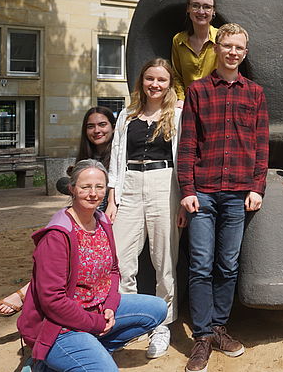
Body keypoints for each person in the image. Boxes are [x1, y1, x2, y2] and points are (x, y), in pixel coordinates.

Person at [17, 159, 167, 372]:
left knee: (157, 309)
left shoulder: (102, 220)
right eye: (85, 187)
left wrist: (110, 306)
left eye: (99, 187)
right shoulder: (57, 236)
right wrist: (96, 323)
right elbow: (53, 301)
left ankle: (87, 354)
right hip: (60, 325)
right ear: (72, 189)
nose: (93, 193)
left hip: (97, 309)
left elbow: (113, 270)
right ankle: (45, 362)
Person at [178, 23, 269, 372]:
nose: (233, 52)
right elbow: (188, 144)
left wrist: (257, 187)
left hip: (237, 193)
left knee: (228, 265)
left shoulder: (255, 93)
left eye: (239, 48)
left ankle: (218, 327)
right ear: (217, 48)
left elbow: (261, 145)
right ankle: (202, 336)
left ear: (245, 53)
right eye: (227, 46)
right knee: (201, 264)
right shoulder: (198, 91)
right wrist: (187, 190)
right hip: (203, 191)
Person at [0, 106, 117, 318]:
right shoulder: (86, 156)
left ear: (113, 127)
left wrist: (111, 201)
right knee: (58, 246)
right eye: (91, 126)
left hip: (109, 211)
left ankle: (26, 292)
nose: (97, 130)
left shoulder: (119, 152)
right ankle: (30, 292)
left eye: (102, 124)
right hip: (88, 211)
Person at [105, 58, 182, 359]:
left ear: (170, 84)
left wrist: (183, 199)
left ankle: (162, 324)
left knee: (164, 260)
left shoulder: (178, 114)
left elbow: (183, 156)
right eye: (150, 78)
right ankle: (130, 321)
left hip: (165, 183)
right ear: (142, 81)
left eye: (161, 80)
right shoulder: (127, 115)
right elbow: (116, 156)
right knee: (121, 259)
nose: (155, 84)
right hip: (130, 183)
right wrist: (112, 198)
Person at [172, 0, 220, 106]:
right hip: (188, 103)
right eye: (195, 6)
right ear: (188, 9)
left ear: (213, 11)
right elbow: (176, 75)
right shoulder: (178, 40)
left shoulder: (221, 38)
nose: (201, 11)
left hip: (216, 102)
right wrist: (181, 98)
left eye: (207, 7)